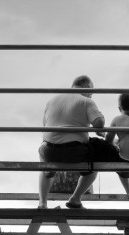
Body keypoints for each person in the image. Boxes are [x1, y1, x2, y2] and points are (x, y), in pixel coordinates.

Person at [38, 75, 105, 209]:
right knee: (94, 167)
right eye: (91, 91)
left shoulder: (52, 100)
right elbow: (99, 123)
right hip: (75, 151)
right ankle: (75, 199)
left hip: (49, 151)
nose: (91, 95)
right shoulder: (86, 101)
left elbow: (44, 125)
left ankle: (42, 203)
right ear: (86, 87)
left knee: (44, 165)